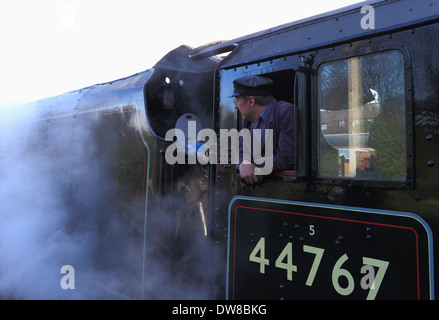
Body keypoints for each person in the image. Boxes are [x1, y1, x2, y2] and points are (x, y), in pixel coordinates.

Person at [229, 75, 295, 185]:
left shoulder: (285, 112)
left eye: (237, 100)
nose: (236, 106)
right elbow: (240, 150)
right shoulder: (247, 120)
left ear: (251, 101)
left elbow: (286, 159)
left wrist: (251, 166)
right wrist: (243, 163)